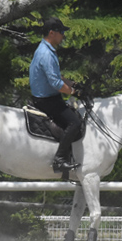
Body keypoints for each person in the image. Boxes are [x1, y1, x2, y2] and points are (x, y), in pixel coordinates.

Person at [29, 17, 82, 173]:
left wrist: (72, 83)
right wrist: (74, 92)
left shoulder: (45, 49)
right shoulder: (46, 53)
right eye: (61, 32)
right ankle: (59, 160)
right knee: (75, 123)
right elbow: (56, 84)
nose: (63, 36)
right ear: (52, 33)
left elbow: (56, 76)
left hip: (46, 98)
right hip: (47, 101)